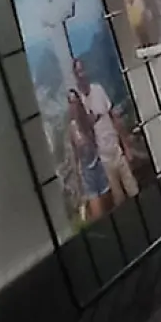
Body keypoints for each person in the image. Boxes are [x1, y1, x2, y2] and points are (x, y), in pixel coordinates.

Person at [72, 58, 141, 204]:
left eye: (82, 70)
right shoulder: (80, 103)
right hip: (103, 159)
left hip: (117, 150)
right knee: (118, 198)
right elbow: (82, 131)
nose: (82, 74)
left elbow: (114, 117)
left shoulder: (98, 90)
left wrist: (126, 146)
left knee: (133, 188)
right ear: (75, 76)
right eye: (78, 72)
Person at [65, 89, 110, 223]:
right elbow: (75, 154)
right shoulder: (72, 128)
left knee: (108, 204)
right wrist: (78, 179)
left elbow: (98, 118)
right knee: (97, 211)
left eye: (75, 101)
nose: (74, 105)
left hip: (98, 164)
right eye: (71, 102)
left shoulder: (87, 119)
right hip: (87, 171)